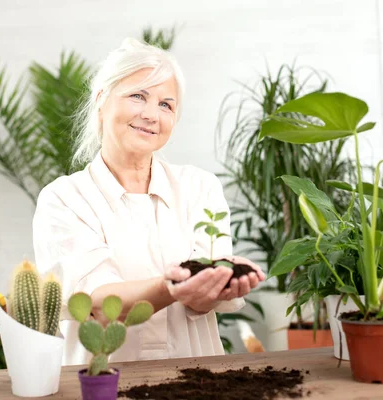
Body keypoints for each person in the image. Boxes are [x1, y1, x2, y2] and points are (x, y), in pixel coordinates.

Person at [33, 38, 265, 366]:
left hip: (195, 379)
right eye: (138, 96)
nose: (151, 115)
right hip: (104, 383)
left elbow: (201, 301)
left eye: (166, 105)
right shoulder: (63, 200)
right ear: (101, 100)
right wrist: (172, 287)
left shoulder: (200, 187)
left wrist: (215, 288)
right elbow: (96, 302)